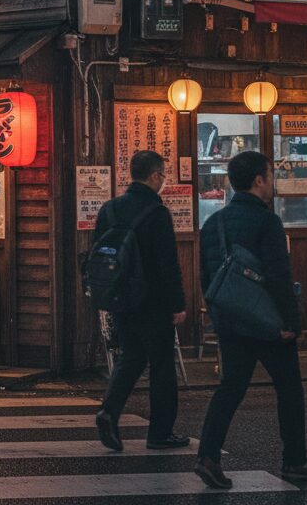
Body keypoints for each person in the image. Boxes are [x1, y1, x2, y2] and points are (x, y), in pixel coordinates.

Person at [195, 151, 307, 488]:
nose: (273, 182)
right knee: (289, 389)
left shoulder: (213, 224)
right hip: (269, 325)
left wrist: (220, 319)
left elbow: (207, 277)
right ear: (259, 180)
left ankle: (208, 455)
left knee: (230, 389)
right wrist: (292, 324)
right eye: (270, 175)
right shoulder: (267, 221)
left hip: (232, 322)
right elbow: (279, 277)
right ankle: (294, 461)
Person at [94, 150, 188, 454]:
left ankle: (109, 411)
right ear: (155, 176)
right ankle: (160, 433)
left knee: (131, 356)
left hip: (119, 297)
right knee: (162, 364)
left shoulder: (109, 209)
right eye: (163, 175)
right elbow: (167, 264)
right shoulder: (156, 212)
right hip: (153, 301)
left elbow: (99, 253)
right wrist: (177, 303)